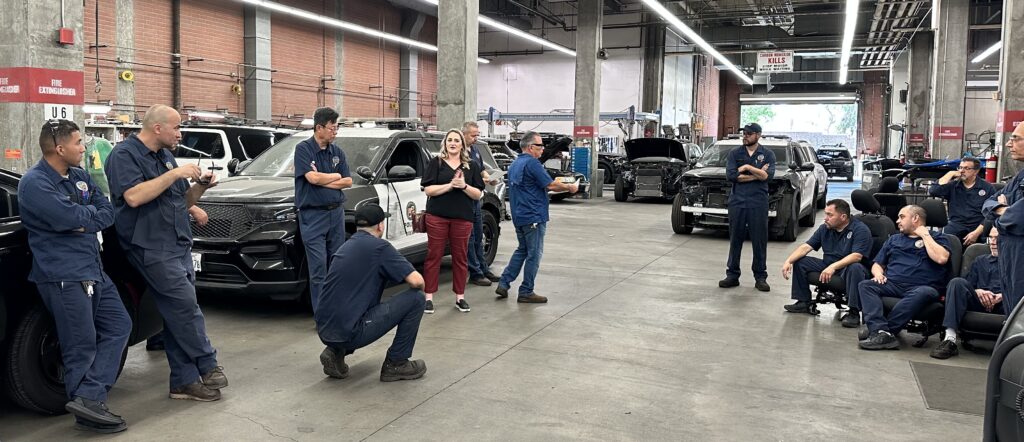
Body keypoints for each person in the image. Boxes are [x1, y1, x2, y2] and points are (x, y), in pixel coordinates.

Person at [105, 104, 227, 401]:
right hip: (149, 246)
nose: (180, 133)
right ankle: (208, 363)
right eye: (176, 127)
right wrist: (175, 175)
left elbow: (178, 203)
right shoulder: (124, 156)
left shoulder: (165, 156)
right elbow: (134, 197)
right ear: (157, 128)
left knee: (175, 314)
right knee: (185, 307)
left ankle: (183, 381)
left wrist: (199, 188)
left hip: (177, 242)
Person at [18, 120, 132, 433]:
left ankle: (89, 395)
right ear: (60, 148)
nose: (84, 148)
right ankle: (89, 410)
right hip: (64, 274)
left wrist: (83, 221)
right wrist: (81, 219)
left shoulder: (80, 177)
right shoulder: (35, 183)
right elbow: (67, 217)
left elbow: (105, 212)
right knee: (80, 344)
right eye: (79, 143)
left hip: (92, 269)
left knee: (120, 325)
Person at [316, 204, 427, 382]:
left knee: (355, 301)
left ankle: (335, 351)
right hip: (350, 332)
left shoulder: (345, 247)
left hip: (325, 329)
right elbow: (417, 281)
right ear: (380, 226)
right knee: (416, 298)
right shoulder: (380, 247)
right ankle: (396, 363)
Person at [494, 131, 579, 303]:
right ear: (531, 147)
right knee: (534, 254)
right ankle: (526, 290)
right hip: (533, 215)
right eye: (540, 145)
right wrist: (570, 188)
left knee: (522, 250)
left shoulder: (515, 163)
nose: (543, 149)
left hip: (520, 215)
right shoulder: (533, 164)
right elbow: (551, 185)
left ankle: (504, 282)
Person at [858, 205, 951, 350]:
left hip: (923, 288)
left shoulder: (939, 237)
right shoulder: (894, 239)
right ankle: (881, 331)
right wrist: (878, 274)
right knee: (866, 285)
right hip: (893, 284)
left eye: (902, 217)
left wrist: (925, 235)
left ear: (915, 218)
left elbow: (941, 259)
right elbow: (877, 264)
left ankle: (882, 332)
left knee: (924, 292)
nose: (897, 221)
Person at [294, 107, 352, 312]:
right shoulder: (303, 149)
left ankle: (336, 308)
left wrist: (325, 179)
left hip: (336, 214)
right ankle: (322, 312)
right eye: (332, 128)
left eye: (337, 128)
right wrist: (334, 176)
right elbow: (311, 178)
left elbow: (348, 181)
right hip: (312, 215)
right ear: (319, 128)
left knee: (337, 263)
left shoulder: (337, 152)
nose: (335, 132)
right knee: (318, 266)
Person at [420, 129, 484, 313]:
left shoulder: (471, 166)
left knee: (460, 257)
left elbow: (478, 194)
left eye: (457, 140)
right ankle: (429, 297)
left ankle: (460, 297)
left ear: (463, 144)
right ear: (445, 143)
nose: (453, 143)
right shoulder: (436, 163)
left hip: (462, 218)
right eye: (450, 140)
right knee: (434, 256)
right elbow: (428, 190)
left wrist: (463, 186)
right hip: (437, 217)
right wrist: (449, 186)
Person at [781, 199, 871, 327]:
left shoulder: (860, 230)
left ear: (843, 217)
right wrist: (789, 260)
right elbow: (806, 247)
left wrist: (833, 267)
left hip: (848, 268)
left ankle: (853, 312)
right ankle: (803, 301)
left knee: (855, 267)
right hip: (828, 264)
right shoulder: (825, 228)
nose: (825, 218)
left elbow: (857, 256)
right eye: (825, 214)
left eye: (830, 215)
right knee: (800, 261)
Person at [720, 123, 776, 292]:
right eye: (744, 133)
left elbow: (768, 176)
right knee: (735, 239)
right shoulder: (735, 153)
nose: (745, 136)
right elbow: (732, 176)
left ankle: (760, 277)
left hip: (758, 203)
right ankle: (732, 275)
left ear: (758, 135)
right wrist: (757, 174)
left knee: (759, 240)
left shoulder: (767, 154)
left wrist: (747, 168)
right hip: (737, 202)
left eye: (749, 134)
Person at [931, 229, 1003, 359]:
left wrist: (1003, 296)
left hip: (1005, 305)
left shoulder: (1019, 263)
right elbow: (968, 285)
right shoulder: (980, 260)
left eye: (997, 238)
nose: (993, 242)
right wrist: (978, 291)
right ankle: (950, 339)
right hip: (978, 302)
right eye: (991, 238)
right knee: (957, 283)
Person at [983, 121, 1024, 320]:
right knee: (1012, 315)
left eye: (1015, 138)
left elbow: (1018, 218)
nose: (1009, 144)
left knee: (1020, 316)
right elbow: (987, 204)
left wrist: (1001, 214)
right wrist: (1002, 209)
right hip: (1009, 250)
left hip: (1020, 253)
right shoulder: (1020, 177)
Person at [462, 121, 501, 286]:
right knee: (470, 238)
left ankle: (483, 269)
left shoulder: (475, 150)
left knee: (479, 235)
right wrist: (481, 178)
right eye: (473, 135)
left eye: (477, 135)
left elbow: (480, 168)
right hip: (464, 200)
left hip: (477, 199)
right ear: (463, 134)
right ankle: (475, 273)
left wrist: (489, 178)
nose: (475, 138)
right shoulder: (459, 152)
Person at [928, 156, 995, 246]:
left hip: (978, 226)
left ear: (976, 171)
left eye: (966, 168)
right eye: (960, 167)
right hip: (956, 225)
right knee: (946, 241)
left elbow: (991, 214)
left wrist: (976, 233)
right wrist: (950, 174)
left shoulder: (987, 188)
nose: (962, 171)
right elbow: (933, 191)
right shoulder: (953, 185)